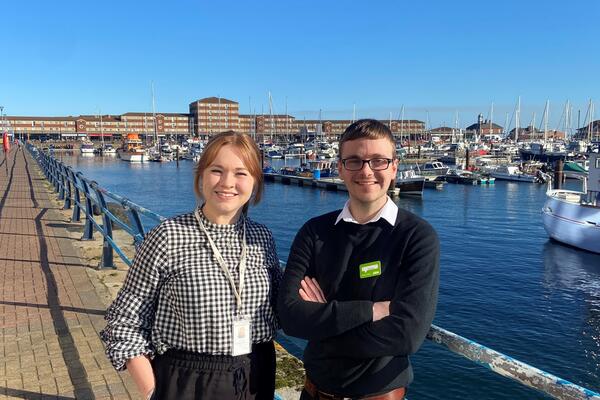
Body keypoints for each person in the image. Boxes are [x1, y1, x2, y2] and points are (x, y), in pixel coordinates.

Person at [101, 131, 282, 400]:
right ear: (201, 175)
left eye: (241, 173)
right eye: (217, 170)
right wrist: (153, 392)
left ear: (255, 182)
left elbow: (283, 307)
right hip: (188, 380)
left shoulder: (261, 237)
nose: (227, 182)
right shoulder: (168, 235)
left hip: (256, 374)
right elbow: (124, 321)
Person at [278, 119, 440, 399]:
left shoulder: (416, 237)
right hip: (314, 392)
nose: (366, 171)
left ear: (393, 167)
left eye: (378, 161)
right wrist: (371, 311)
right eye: (354, 161)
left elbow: (407, 334)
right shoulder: (315, 232)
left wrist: (323, 324)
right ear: (340, 168)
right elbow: (290, 317)